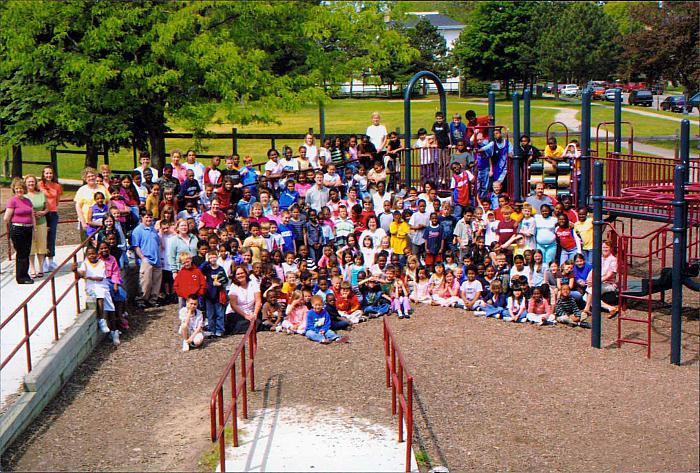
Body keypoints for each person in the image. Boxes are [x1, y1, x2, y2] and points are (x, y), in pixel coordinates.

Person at [73, 246, 119, 345]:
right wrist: (75, 271)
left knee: (111, 307)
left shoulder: (101, 263)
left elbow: (100, 278)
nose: (92, 256)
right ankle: (102, 320)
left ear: (97, 254)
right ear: (86, 256)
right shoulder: (85, 264)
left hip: (102, 286)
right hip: (91, 288)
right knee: (100, 295)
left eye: (93, 253)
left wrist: (87, 276)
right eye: (89, 254)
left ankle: (114, 331)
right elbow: (80, 273)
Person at [4, 178, 36, 284]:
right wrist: (13, 226)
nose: (19, 190)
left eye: (21, 188)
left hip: (28, 228)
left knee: (26, 252)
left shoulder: (27, 201)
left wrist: (34, 229)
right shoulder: (12, 201)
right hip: (18, 229)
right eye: (17, 188)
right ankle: (21, 277)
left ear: (24, 189)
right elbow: (6, 218)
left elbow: (32, 215)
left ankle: (25, 274)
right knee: (21, 253)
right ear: (14, 189)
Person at [131, 212, 162, 309]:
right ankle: (141, 300)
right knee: (145, 282)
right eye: (147, 217)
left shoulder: (153, 229)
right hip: (146, 259)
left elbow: (158, 243)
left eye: (150, 217)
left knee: (156, 282)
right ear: (142, 218)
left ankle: (153, 300)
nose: (149, 219)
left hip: (156, 259)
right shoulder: (137, 230)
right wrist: (143, 258)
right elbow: (136, 246)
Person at [38, 166, 63, 272]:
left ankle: (51, 261)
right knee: (42, 237)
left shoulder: (57, 186)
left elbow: (57, 201)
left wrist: (51, 208)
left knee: (51, 237)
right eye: (46, 173)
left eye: (50, 173)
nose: (48, 175)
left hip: (52, 213)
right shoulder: (39, 185)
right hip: (42, 214)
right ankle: (42, 262)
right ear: (43, 174)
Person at [74, 167, 110, 239]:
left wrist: (108, 217)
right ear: (85, 178)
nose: (91, 178)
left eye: (93, 176)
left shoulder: (102, 188)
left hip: (102, 221)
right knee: (88, 243)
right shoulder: (82, 190)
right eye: (88, 176)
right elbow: (78, 206)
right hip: (87, 221)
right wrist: (83, 222)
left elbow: (108, 202)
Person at [24, 175, 48, 278]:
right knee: (31, 246)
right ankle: (32, 267)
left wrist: (43, 212)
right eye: (29, 182)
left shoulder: (41, 194)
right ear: (25, 183)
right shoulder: (24, 196)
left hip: (41, 222)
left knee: (41, 245)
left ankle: (41, 268)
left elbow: (47, 208)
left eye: (32, 182)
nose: (31, 184)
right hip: (28, 224)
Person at [227, 265, 262, 334]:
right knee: (242, 323)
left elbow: (258, 301)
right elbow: (233, 305)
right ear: (235, 276)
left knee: (257, 321)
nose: (240, 275)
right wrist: (245, 316)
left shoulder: (253, 283)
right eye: (238, 274)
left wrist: (254, 314)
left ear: (246, 273)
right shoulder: (233, 286)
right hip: (237, 313)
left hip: (251, 312)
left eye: (242, 273)